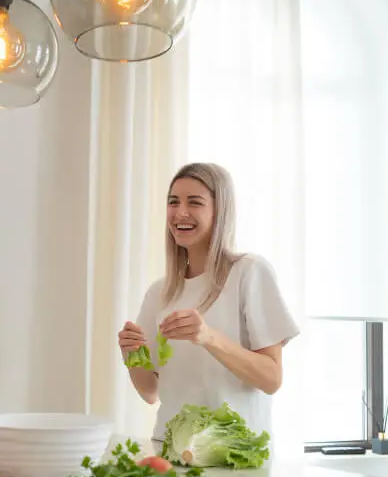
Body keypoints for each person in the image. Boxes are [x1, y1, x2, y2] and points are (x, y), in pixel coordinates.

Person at [118, 162, 300, 442]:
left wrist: (208, 337)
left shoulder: (249, 272)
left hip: (235, 456)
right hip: (171, 451)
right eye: (173, 202)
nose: (180, 213)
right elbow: (150, 392)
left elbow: (271, 378)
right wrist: (133, 355)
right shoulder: (160, 292)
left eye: (195, 202)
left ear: (220, 211)